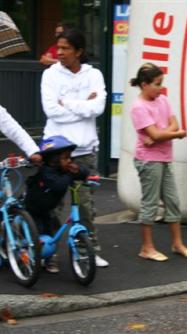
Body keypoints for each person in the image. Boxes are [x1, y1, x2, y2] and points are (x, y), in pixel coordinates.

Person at [40, 28, 109, 267]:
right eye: (58, 48)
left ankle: (88, 250)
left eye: (65, 48)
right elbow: (51, 111)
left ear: (78, 51)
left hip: (85, 151)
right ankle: (50, 254)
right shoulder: (50, 75)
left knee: (86, 207)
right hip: (55, 153)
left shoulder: (94, 75)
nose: (59, 53)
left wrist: (67, 103)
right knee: (53, 206)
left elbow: (98, 108)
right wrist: (83, 105)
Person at [130, 63, 187, 261]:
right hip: (148, 160)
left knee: (172, 201)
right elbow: (156, 134)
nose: (161, 88)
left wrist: (164, 134)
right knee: (150, 203)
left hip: (164, 158)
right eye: (157, 84)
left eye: (161, 84)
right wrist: (174, 134)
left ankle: (177, 244)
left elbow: (169, 126)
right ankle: (146, 247)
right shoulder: (138, 107)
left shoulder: (163, 100)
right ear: (144, 84)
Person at [24, 136, 89, 273]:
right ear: (54, 161)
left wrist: (78, 170)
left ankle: (49, 258)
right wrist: (71, 175)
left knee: (52, 231)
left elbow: (83, 172)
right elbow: (58, 185)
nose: (69, 160)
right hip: (34, 209)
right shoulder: (46, 172)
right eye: (65, 158)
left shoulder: (64, 170)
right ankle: (29, 256)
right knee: (36, 234)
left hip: (48, 210)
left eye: (69, 157)